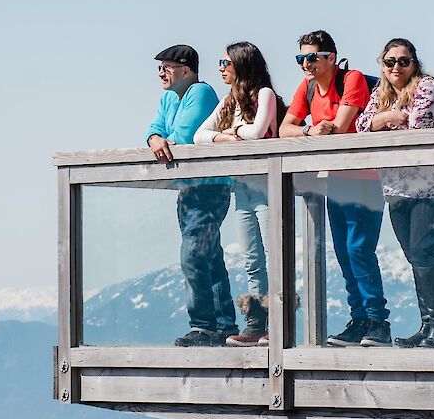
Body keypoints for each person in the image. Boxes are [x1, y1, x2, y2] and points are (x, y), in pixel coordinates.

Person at [280, 30, 389, 347]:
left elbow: (340, 128)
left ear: (330, 57)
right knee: (344, 252)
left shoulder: (351, 78)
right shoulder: (308, 86)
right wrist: (311, 129)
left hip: (367, 178)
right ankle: (359, 321)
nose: (305, 64)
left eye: (311, 57)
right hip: (336, 180)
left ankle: (378, 322)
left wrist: (314, 130)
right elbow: (287, 129)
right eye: (301, 58)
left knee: (359, 250)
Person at [356, 38, 434, 347]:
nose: (396, 67)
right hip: (398, 186)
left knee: (423, 251)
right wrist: (387, 118)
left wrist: (383, 122)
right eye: (389, 62)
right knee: (414, 256)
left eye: (404, 61)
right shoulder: (381, 94)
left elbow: (415, 125)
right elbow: (362, 126)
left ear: (414, 63)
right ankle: (429, 323)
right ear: (382, 65)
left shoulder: (427, 86)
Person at [145, 44, 235, 346]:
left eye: (166, 67)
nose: (161, 73)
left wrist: (162, 140)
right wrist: (154, 138)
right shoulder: (168, 97)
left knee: (193, 255)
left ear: (186, 70)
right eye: (159, 67)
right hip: (188, 188)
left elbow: (185, 137)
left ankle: (204, 325)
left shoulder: (201, 93)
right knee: (209, 256)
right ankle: (223, 324)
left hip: (210, 187)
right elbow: (155, 128)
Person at [194, 42, 279, 347]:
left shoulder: (264, 94)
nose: (221, 68)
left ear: (242, 65)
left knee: (275, 257)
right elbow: (199, 136)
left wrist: (234, 132)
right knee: (252, 260)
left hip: (267, 186)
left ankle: (279, 325)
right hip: (242, 188)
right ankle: (255, 324)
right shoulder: (230, 101)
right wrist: (221, 136)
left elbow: (257, 132)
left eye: (225, 63)